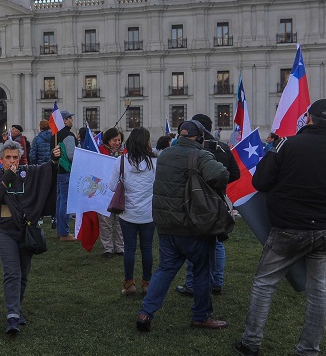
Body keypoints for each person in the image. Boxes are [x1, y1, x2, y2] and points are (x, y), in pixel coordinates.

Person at [233, 99, 326, 356]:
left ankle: (251, 344)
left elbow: (260, 182)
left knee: (265, 284)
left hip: (287, 229)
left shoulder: (285, 145)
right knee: (319, 293)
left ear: (308, 118)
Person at [135, 120, 230, 332]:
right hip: (193, 225)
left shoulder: (165, 154)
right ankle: (200, 315)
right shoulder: (201, 155)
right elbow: (221, 174)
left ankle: (145, 313)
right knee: (202, 271)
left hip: (166, 225)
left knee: (165, 269)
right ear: (199, 138)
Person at [0, 139, 61, 334]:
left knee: (23, 275)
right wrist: (6, 179)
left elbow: (46, 172)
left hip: (26, 231)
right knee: (12, 272)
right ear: (1, 159)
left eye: (15, 158)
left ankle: (17, 308)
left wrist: (53, 161)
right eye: (8, 158)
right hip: (4, 232)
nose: (12, 161)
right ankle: (12, 316)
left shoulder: (27, 173)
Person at [177, 113, 240, 297]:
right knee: (218, 240)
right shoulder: (223, 147)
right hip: (219, 199)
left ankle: (191, 283)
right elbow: (234, 173)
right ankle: (217, 282)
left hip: (197, 200)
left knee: (194, 239)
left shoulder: (196, 149)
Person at [119, 128, 157, 297]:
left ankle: (129, 284)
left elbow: (113, 186)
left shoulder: (121, 161)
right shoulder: (155, 162)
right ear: (146, 142)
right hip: (148, 213)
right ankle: (146, 283)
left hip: (128, 212)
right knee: (147, 249)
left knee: (129, 249)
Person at [97, 127, 126, 258]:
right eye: (115, 140)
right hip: (104, 191)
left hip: (120, 191)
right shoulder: (99, 152)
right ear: (108, 140)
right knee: (105, 221)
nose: (117, 142)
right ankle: (107, 248)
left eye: (119, 140)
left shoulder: (124, 153)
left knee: (120, 221)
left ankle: (120, 247)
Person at [54, 111, 77, 241]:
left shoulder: (55, 135)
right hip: (67, 171)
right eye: (69, 118)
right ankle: (64, 233)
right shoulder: (69, 135)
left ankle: (59, 230)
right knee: (65, 202)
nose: (71, 120)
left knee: (59, 200)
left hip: (57, 171)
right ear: (64, 120)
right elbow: (71, 155)